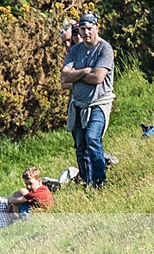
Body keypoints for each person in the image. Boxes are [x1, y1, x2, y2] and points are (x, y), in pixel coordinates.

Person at [61, 12, 114, 189]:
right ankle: (86, 181)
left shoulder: (105, 49)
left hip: (99, 102)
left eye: (89, 28)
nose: (86, 33)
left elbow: (98, 78)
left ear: (96, 28)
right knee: (80, 145)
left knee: (92, 137)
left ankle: (99, 181)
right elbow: (64, 77)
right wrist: (84, 71)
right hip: (78, 103)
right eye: (82, 29)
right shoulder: (75, 50)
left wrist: (75, 74)